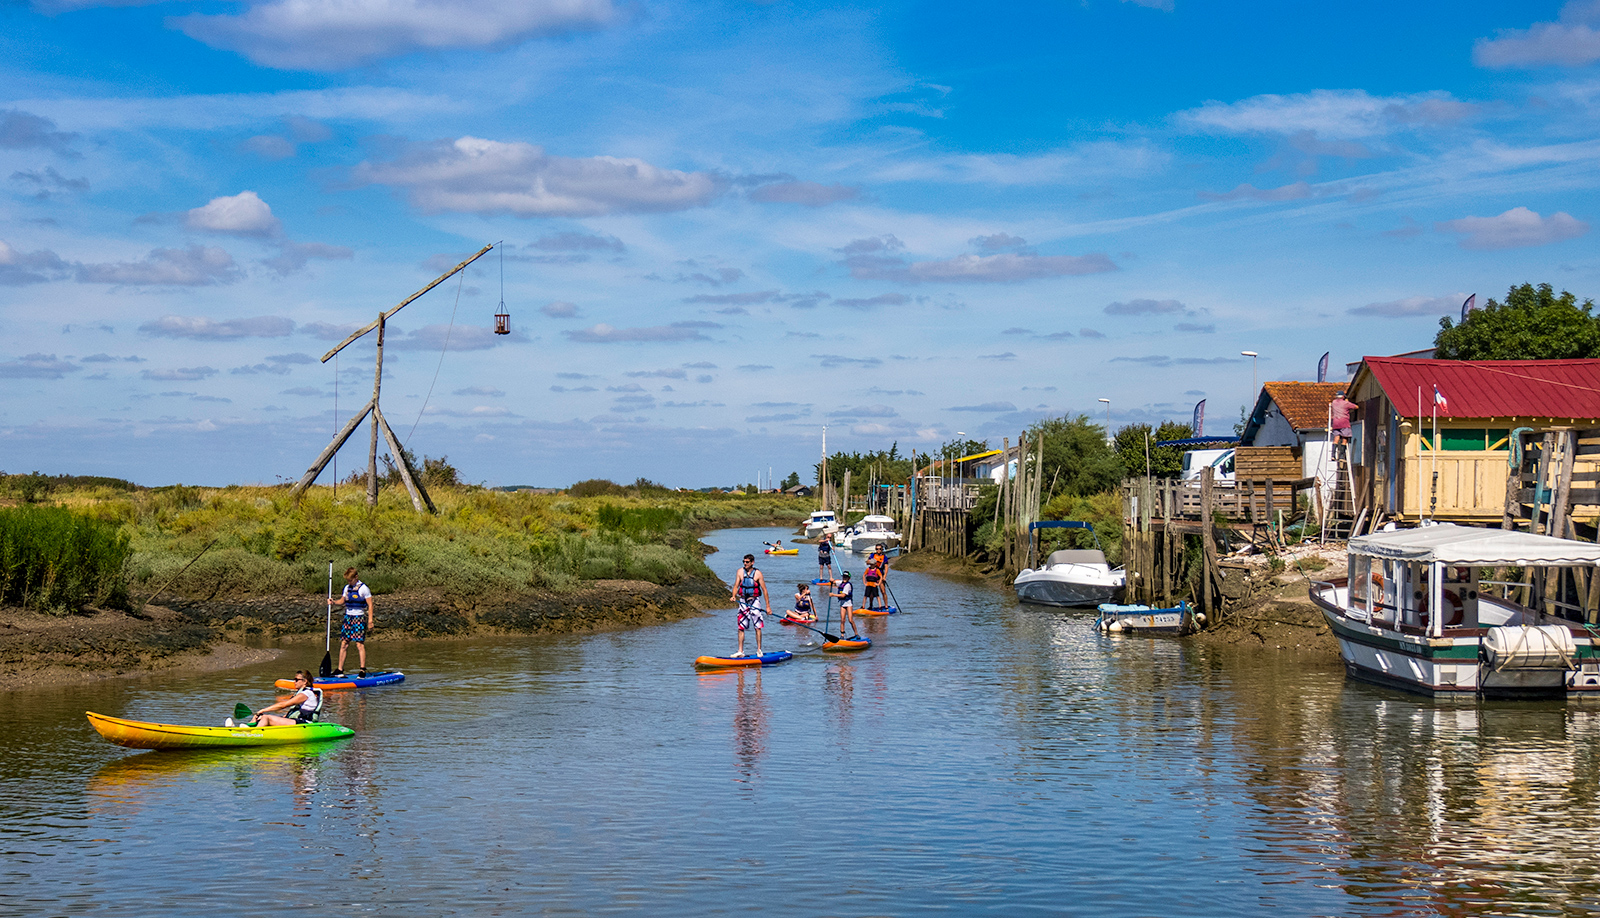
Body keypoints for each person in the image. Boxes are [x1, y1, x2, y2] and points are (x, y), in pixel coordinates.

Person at [331, 566, 374, 676]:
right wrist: (333, 602)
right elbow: (342, 600)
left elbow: (370, 605)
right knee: (344, 643)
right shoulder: (346, 588)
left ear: (356, 577)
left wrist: (370, 621)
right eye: (348, 580)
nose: (349, 582)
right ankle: (340, 669)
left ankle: (362, 669)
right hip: (348, 617)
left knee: (359, 644)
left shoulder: (364, 589)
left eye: (351, 580)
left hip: (359, 617)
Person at [247, 670, 323, 726]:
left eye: (297, 680)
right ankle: (248, 729)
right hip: (298, 721)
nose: (294, 682)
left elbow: (283, 705)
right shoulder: (302, 693)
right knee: (262, 717)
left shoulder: (306, 694)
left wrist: (262, 710)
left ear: (305, 681)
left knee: (266, 718)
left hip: (304, 723)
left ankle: (253, 735)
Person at [729, 553, 769, 657]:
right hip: (743, 601)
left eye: (747, 562)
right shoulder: (740, 572)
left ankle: (759, 649)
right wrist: (733, 595)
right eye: (744, 562)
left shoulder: (758, 574)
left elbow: (764, 590)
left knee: (757, 626)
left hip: (755, 601)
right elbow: (736, 586)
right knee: (741, 626)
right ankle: (740, 651)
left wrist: (768, 607)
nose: (745, 564)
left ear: (752, 562)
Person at [832, 570, 857, 638]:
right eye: (844, 577)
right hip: (842, 604)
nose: (844, 578)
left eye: (846, 577)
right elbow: (834, 581)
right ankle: (842, 635)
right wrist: (831, 580)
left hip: (848, 603)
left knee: (850, 620)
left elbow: (843, 595)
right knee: (842, 620)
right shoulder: (841, 583)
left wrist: (833, 595)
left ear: (849, 578)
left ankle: (856, 634)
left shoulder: (848, 585)